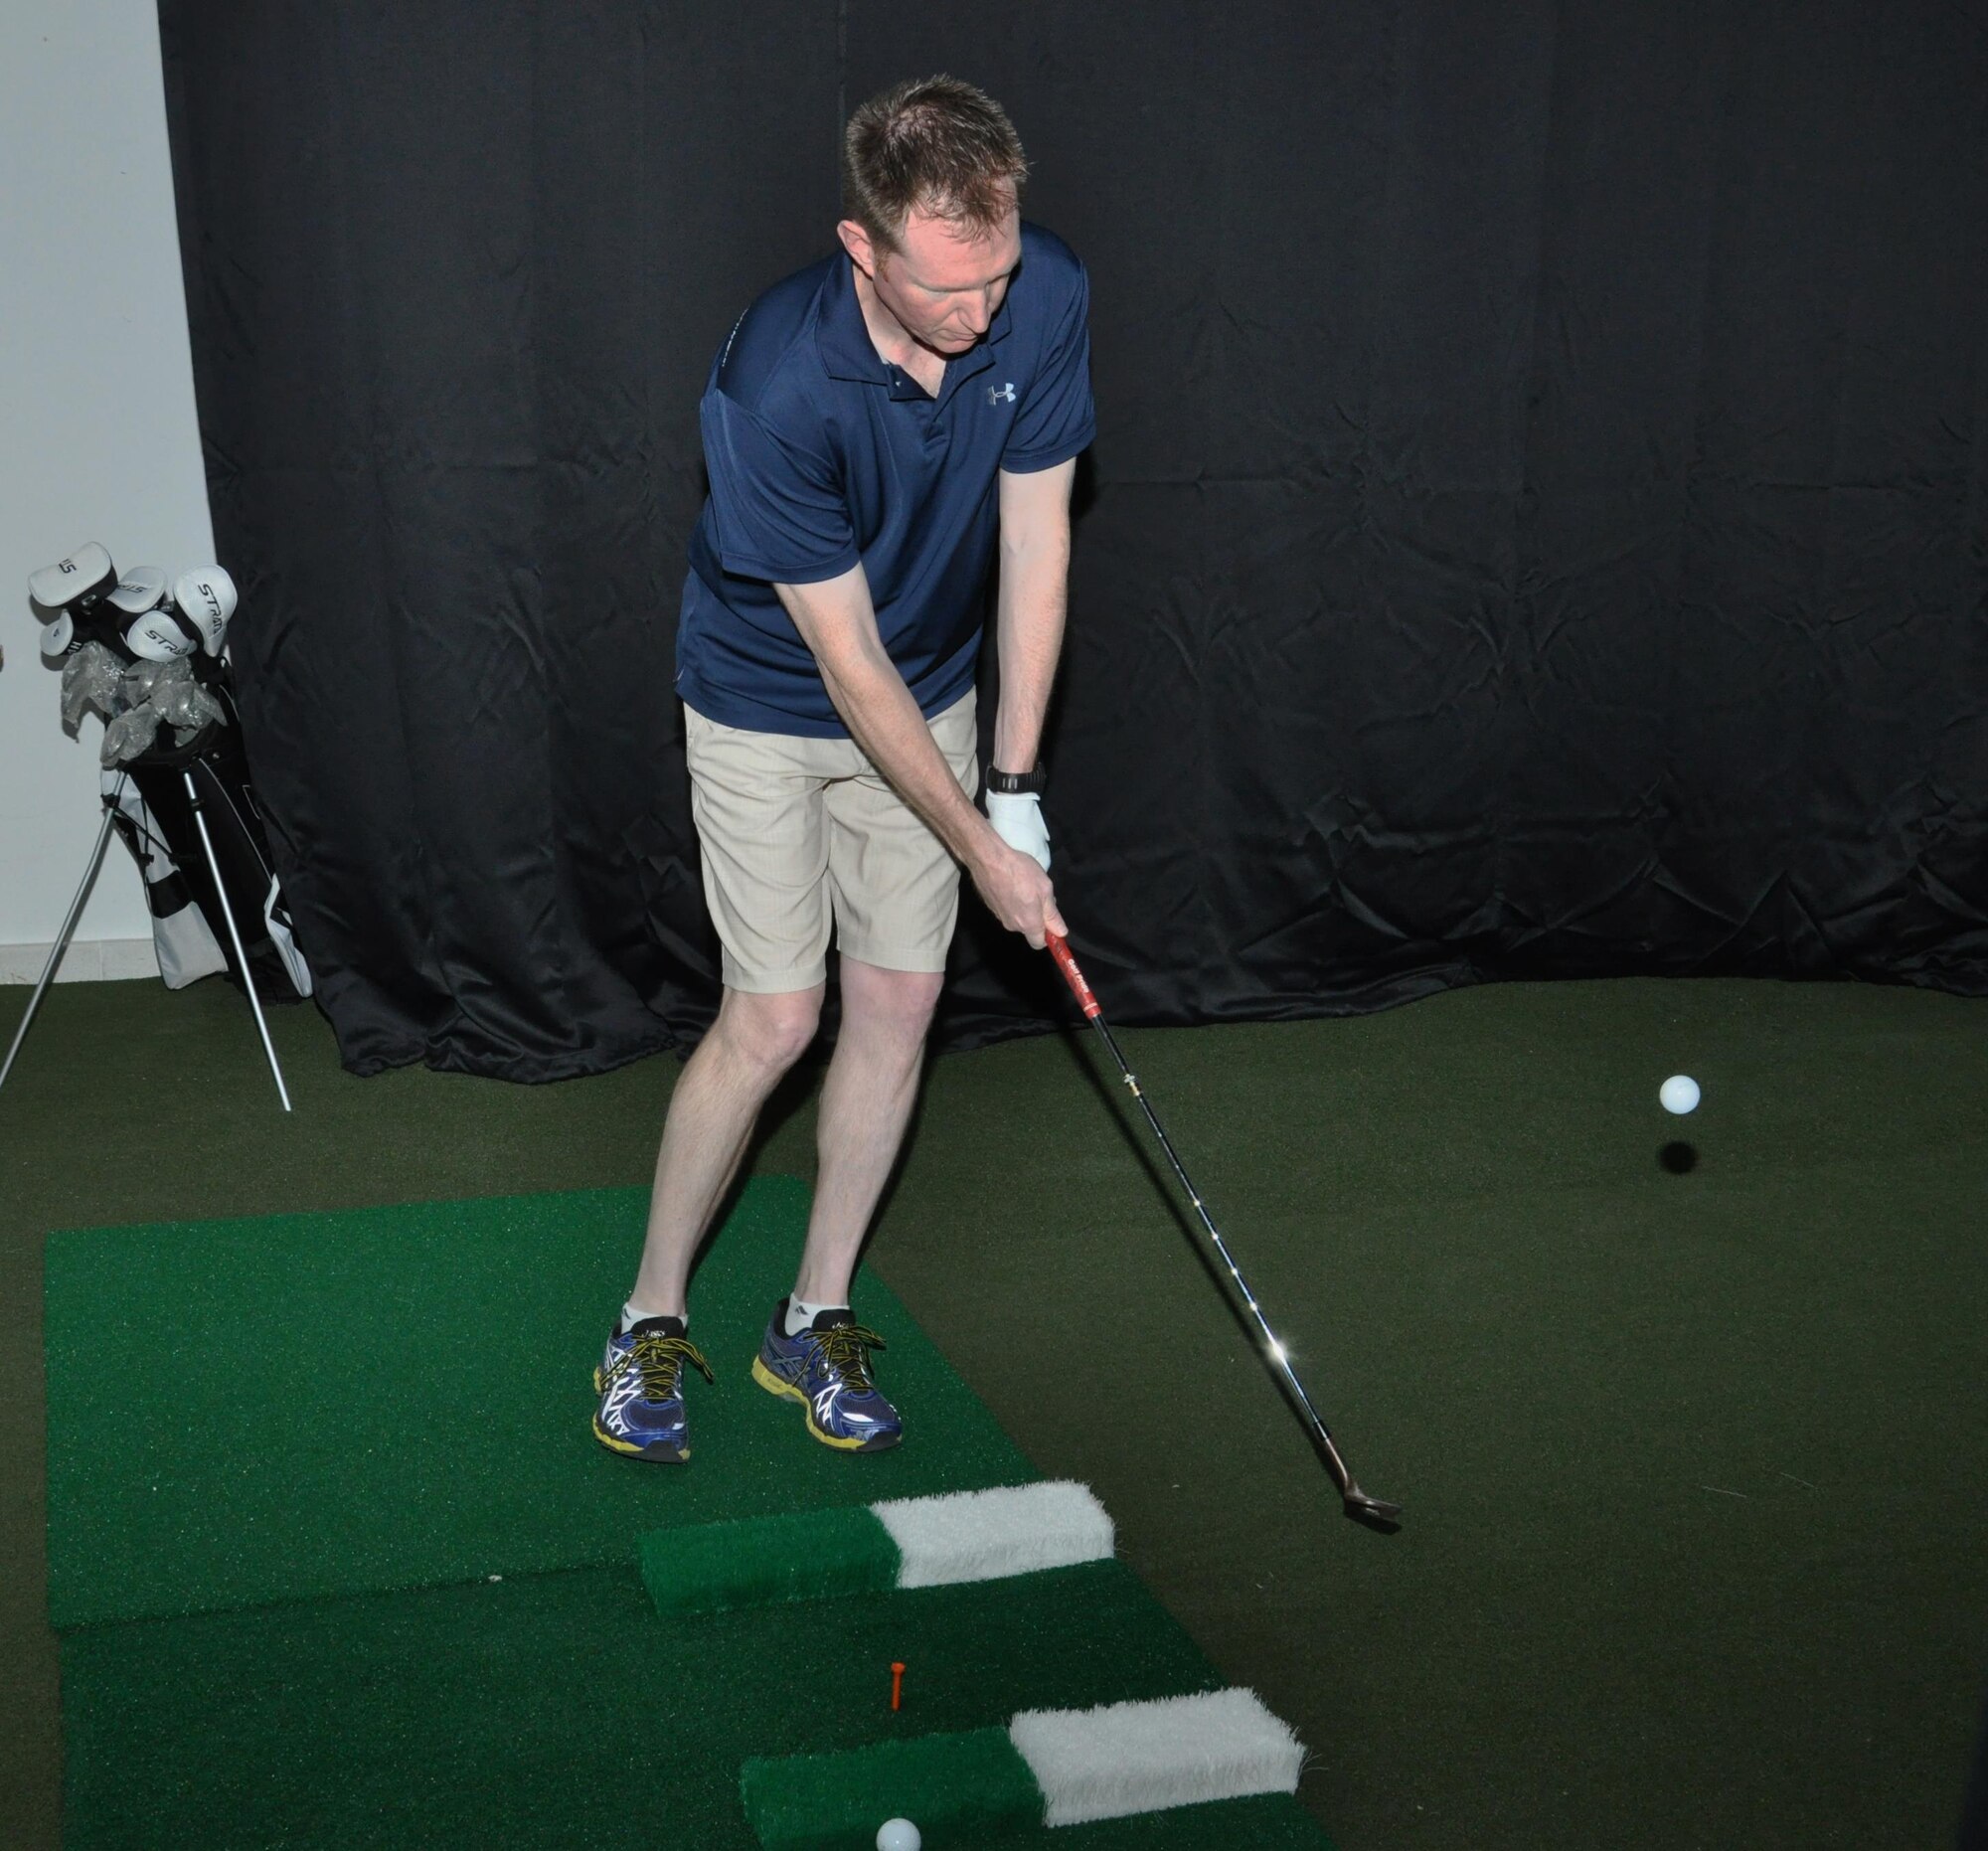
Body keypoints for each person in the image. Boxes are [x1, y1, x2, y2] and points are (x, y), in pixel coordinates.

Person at [593, 75, 1093, 1462]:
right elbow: (843, 663)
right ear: (863, 245)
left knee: (898, 1004)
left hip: (931, 693)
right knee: (773, 1019)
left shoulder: (1038, 292)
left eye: (997, 272)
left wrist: (1017, 787)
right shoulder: (773, 383)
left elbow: (1038, 543)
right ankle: (646, 1319)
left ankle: (812, 1315)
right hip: (766, 701)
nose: (985, 313)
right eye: (950, 288)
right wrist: (982, 847)